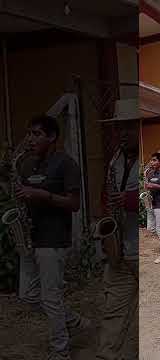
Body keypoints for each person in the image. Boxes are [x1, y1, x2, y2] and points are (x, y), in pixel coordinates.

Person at [13, 115, 90, 360]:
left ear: (52, 137)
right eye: (29, 134)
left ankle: (60, 352)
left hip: (53, 239)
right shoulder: (26, 164)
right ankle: (74, 321)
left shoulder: (66, 164)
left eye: (37, 134)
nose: (31, 139)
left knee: (51, 298)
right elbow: (24, 194)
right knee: (28, 295)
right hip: (30, 237)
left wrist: (42, 195)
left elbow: (75, 204)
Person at [96, 100, 139, 360]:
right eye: (119, 128)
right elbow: (107, 197)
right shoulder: (115, 161)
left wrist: (129, 200)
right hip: (120, 251)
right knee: (113, 311)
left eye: (129, 127)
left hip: (140, 250)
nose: (122, 133)